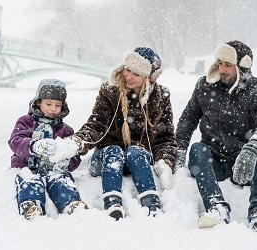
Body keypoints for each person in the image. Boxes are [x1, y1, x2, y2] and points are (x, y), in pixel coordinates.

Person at [50, 47, 176, 220]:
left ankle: (151, 203)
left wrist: (165, 161)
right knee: (114, 151)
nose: (128, 76)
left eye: (136, 74)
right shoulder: (110, 91)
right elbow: (96, 125)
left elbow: (165, 137)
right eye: (128, 69)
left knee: (135, 151)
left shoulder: (161, 97)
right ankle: (112, 203)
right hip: (106, 159)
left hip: (137, 161)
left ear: (150, 79)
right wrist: (77, 142)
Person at [175, 40, 257, 232]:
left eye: (228, 65)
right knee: (197, 149)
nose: (222, 69)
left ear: (242, 67)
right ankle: (216, 207)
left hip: (245, 165)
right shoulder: (204, 86)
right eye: (219, 63)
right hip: (213, 163)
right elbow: (187, 120)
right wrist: (178, 152)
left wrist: (252, 149)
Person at [8, 79, 87, 220]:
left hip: (53, 169)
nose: (53, 109)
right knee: (30, 181)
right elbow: (15, 141)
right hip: (27, 166)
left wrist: (67, 161)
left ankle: (70, 203)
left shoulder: (65, 130)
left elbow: (74, 155)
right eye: (48, 104)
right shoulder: (25, 122)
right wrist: (33, 146)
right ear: (38, 102)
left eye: (57, 105)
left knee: (61, 180)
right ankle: (31, 205)